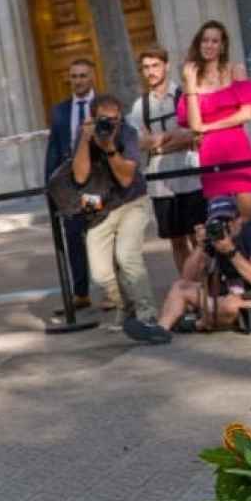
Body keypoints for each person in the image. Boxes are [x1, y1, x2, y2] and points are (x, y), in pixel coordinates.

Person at [125, 196, 251, 344]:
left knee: (230, 306)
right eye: (218, 221)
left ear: (239, 220)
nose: (225, 226)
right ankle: (160, 330)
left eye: (228, 220)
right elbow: (186, 277)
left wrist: (230, 251)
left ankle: (196, 323)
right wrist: (200, 247)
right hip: (227, 297)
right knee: (180, 288)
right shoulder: (214, 238)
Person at [61, 95, 157, 328]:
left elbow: (125, 180)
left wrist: (110, 148)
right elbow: (81, 176)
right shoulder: (84, 135)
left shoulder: (127, 134)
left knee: (127, 257)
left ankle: (147, 314)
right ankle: (126, 307)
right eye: (104, 120)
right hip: (100, 207)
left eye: (115, 120)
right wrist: (85, 140)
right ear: (93, 119)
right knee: (101, 273)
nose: (109, 126)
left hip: (132, 202)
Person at [131, 47, 206, 273]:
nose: (151, 71)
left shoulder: (185, 95)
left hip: (190, 177)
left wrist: (160, 143)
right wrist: (173, 139)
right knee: (176, 240)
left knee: (199, 238)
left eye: (155, 65)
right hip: (160, 184)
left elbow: (193, 135)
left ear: (166, 65)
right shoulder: (140, 105)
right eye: (146, 67)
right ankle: (188, 288)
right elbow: (141, 143)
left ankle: (206, 291)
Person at [184, 20, 251, 221]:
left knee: (248, 220)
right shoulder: (192, 77)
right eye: (205, 41)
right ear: (199, 44)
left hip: (238, 150)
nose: (209, 45)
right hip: (210, 154)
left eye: (214, 41)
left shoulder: (236, 71)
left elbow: (246, 114)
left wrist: (208, 126)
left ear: (222, 46)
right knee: (220, 224)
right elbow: (194, 124)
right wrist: (191, 84)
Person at [46, 58, 99, 307]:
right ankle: (81, 293)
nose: (78, 81)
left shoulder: (102, 106)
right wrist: (50, 187)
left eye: (83, 75)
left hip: (97, 184)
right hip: (70, 188)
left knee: (100, 231)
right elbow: (54, 149)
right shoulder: (59, 111)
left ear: (92, 77)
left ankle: (113, 291)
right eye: (74, 76)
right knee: (73, 235)